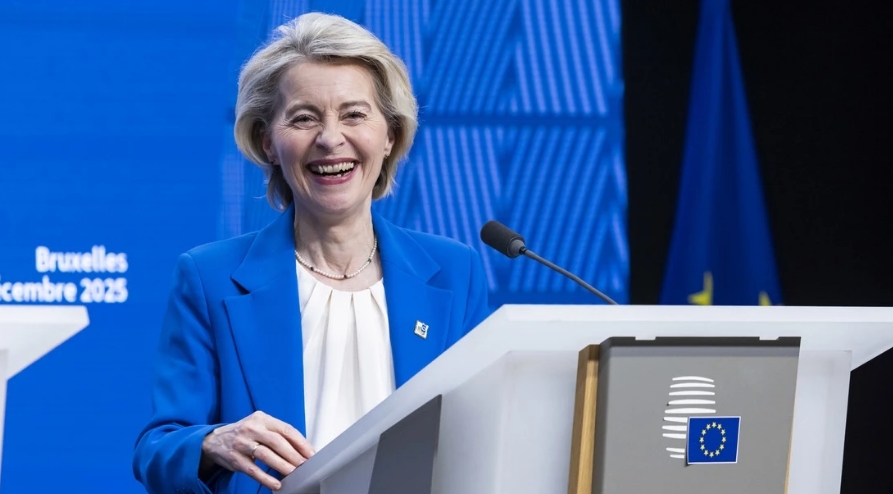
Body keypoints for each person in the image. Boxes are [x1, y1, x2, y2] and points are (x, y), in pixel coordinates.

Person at [132, 12, 491, 494]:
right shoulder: (209, 276)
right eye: (303, 118)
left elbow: (481, 433)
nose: (330, 138)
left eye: (354, 114)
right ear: (268, 144)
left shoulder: (454, 271)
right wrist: (217, 440)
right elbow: (157, 450)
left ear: (389, 135)